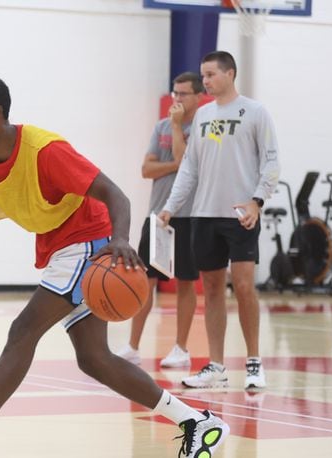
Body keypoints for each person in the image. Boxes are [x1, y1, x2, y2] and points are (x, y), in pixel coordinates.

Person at [0, 75, 229, 458]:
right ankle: (197, 422)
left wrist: (120, 239)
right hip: (62, 248)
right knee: (94, 358)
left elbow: (116, 195)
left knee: (23, 330)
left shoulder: (44, 150)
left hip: (90, 240)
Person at [158, 51, 280, 390]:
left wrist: (257, 201)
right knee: (211, 290)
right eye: (204, 75)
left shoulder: (255, 112)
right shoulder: (203, 116)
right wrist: (171, 205)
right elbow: (190, 167)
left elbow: (271, 162)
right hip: (203, 215)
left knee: (243, 287)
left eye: (211, 74)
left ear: (230, 73)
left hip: (240, 214)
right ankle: (216, 365)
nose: (206, 81)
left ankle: (254, 362)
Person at [115, 72, 205, 368]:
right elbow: (146, 169)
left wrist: (178, 129)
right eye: (175, 93)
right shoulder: (161, 126)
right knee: (145, 281)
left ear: (197, 96)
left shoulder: (202, 128)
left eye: (183, 94)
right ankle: (132, 346)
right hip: (157, 214)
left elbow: (186, 164)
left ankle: (181, 348)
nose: (176, 99)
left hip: (189, 216)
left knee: (186, 283)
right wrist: (173, 164)